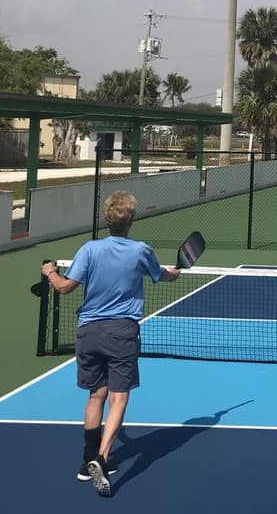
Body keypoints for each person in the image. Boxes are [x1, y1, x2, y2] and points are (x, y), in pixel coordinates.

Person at [41, 191, 180, 496]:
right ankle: (102, 459)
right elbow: (161, 276)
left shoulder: (89, 249)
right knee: (118, 398)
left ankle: (87, 460)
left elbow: (64, 287)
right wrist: (177, 271)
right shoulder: (140, 250)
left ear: (106, 219)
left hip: (88, 333)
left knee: (96, 395)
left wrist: (50, 272)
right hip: (121, 333)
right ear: (131, 220)